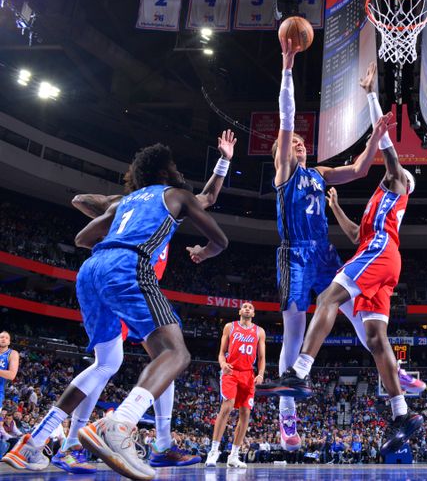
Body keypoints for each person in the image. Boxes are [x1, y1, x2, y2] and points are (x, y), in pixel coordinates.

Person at [3, 143, 229, 479]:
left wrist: (224, 161)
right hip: (129, 271)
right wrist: (203, 252)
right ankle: (119, 425)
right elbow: (219, 236)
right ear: (166, 171)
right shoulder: (175, 196)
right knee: (175, 354)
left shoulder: (125, 203)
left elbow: (82, 238)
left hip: (92, 271)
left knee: (111, 362)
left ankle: (34, 443)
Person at [269, 48, 424, 451]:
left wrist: (375, 135)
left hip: (329, 253)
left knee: (337, 302)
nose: (300, 144)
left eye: (303, 142)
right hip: (295, 252)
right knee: (308, 328)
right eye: (295, 143)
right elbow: (287, 122)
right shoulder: (285, 171)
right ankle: (290, 415)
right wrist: (287, 69)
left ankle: (310, 372)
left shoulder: (324, 175)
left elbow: (358, 169)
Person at [205, 302, 267, 468]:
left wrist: (260, 374)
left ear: (253, 313)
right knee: (227, 407)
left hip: (248, 374)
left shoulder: (259, 331)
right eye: (244, 306)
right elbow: (221, 352)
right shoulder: (229, 327)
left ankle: (233, 455)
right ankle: (213, 452)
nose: (247, 308)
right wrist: (222, 364)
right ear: (240, 311)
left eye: (250, 307)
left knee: (245, 413)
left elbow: (261, 357)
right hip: (231, 372)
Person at [0, 332, 19, 413]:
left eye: (6, 338)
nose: (4, 339)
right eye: (1, 337)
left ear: (9, 342)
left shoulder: (12, 353)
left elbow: (12, 375)